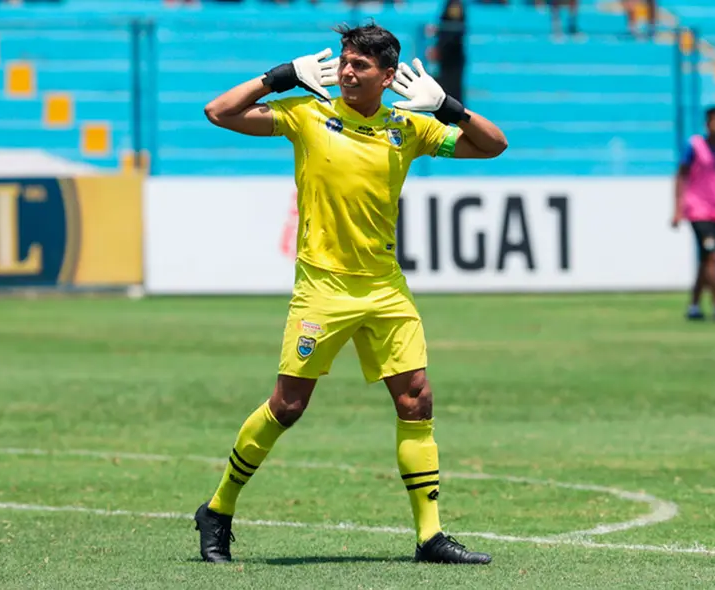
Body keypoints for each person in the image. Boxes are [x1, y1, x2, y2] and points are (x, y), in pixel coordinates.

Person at [197, 23, 508, 565]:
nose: (346, 71)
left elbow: (494, 145)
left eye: (361, 65)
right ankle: (218, 509)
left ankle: (429, 536)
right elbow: (218, 112)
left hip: (385, 288)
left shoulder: (408, 128)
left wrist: (448, 107)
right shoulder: (307, 113)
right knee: (287, 406)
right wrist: (278, 78)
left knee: (417, 398)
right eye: (344, 62)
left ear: (389, 77)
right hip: (322, 287)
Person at [672, 106, 715, 322]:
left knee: (705, 259)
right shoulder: (694, 146)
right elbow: (681, 176)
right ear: (706, 123)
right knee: (711, 256)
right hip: (698, 210)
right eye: (713, 120)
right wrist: (678, 209)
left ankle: (694, 306)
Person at [429, 0, 466, 103]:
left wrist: (440, 50)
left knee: (452, 92)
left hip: (452, 57)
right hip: (447, 57)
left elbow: (453, 31)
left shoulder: (455, 4)